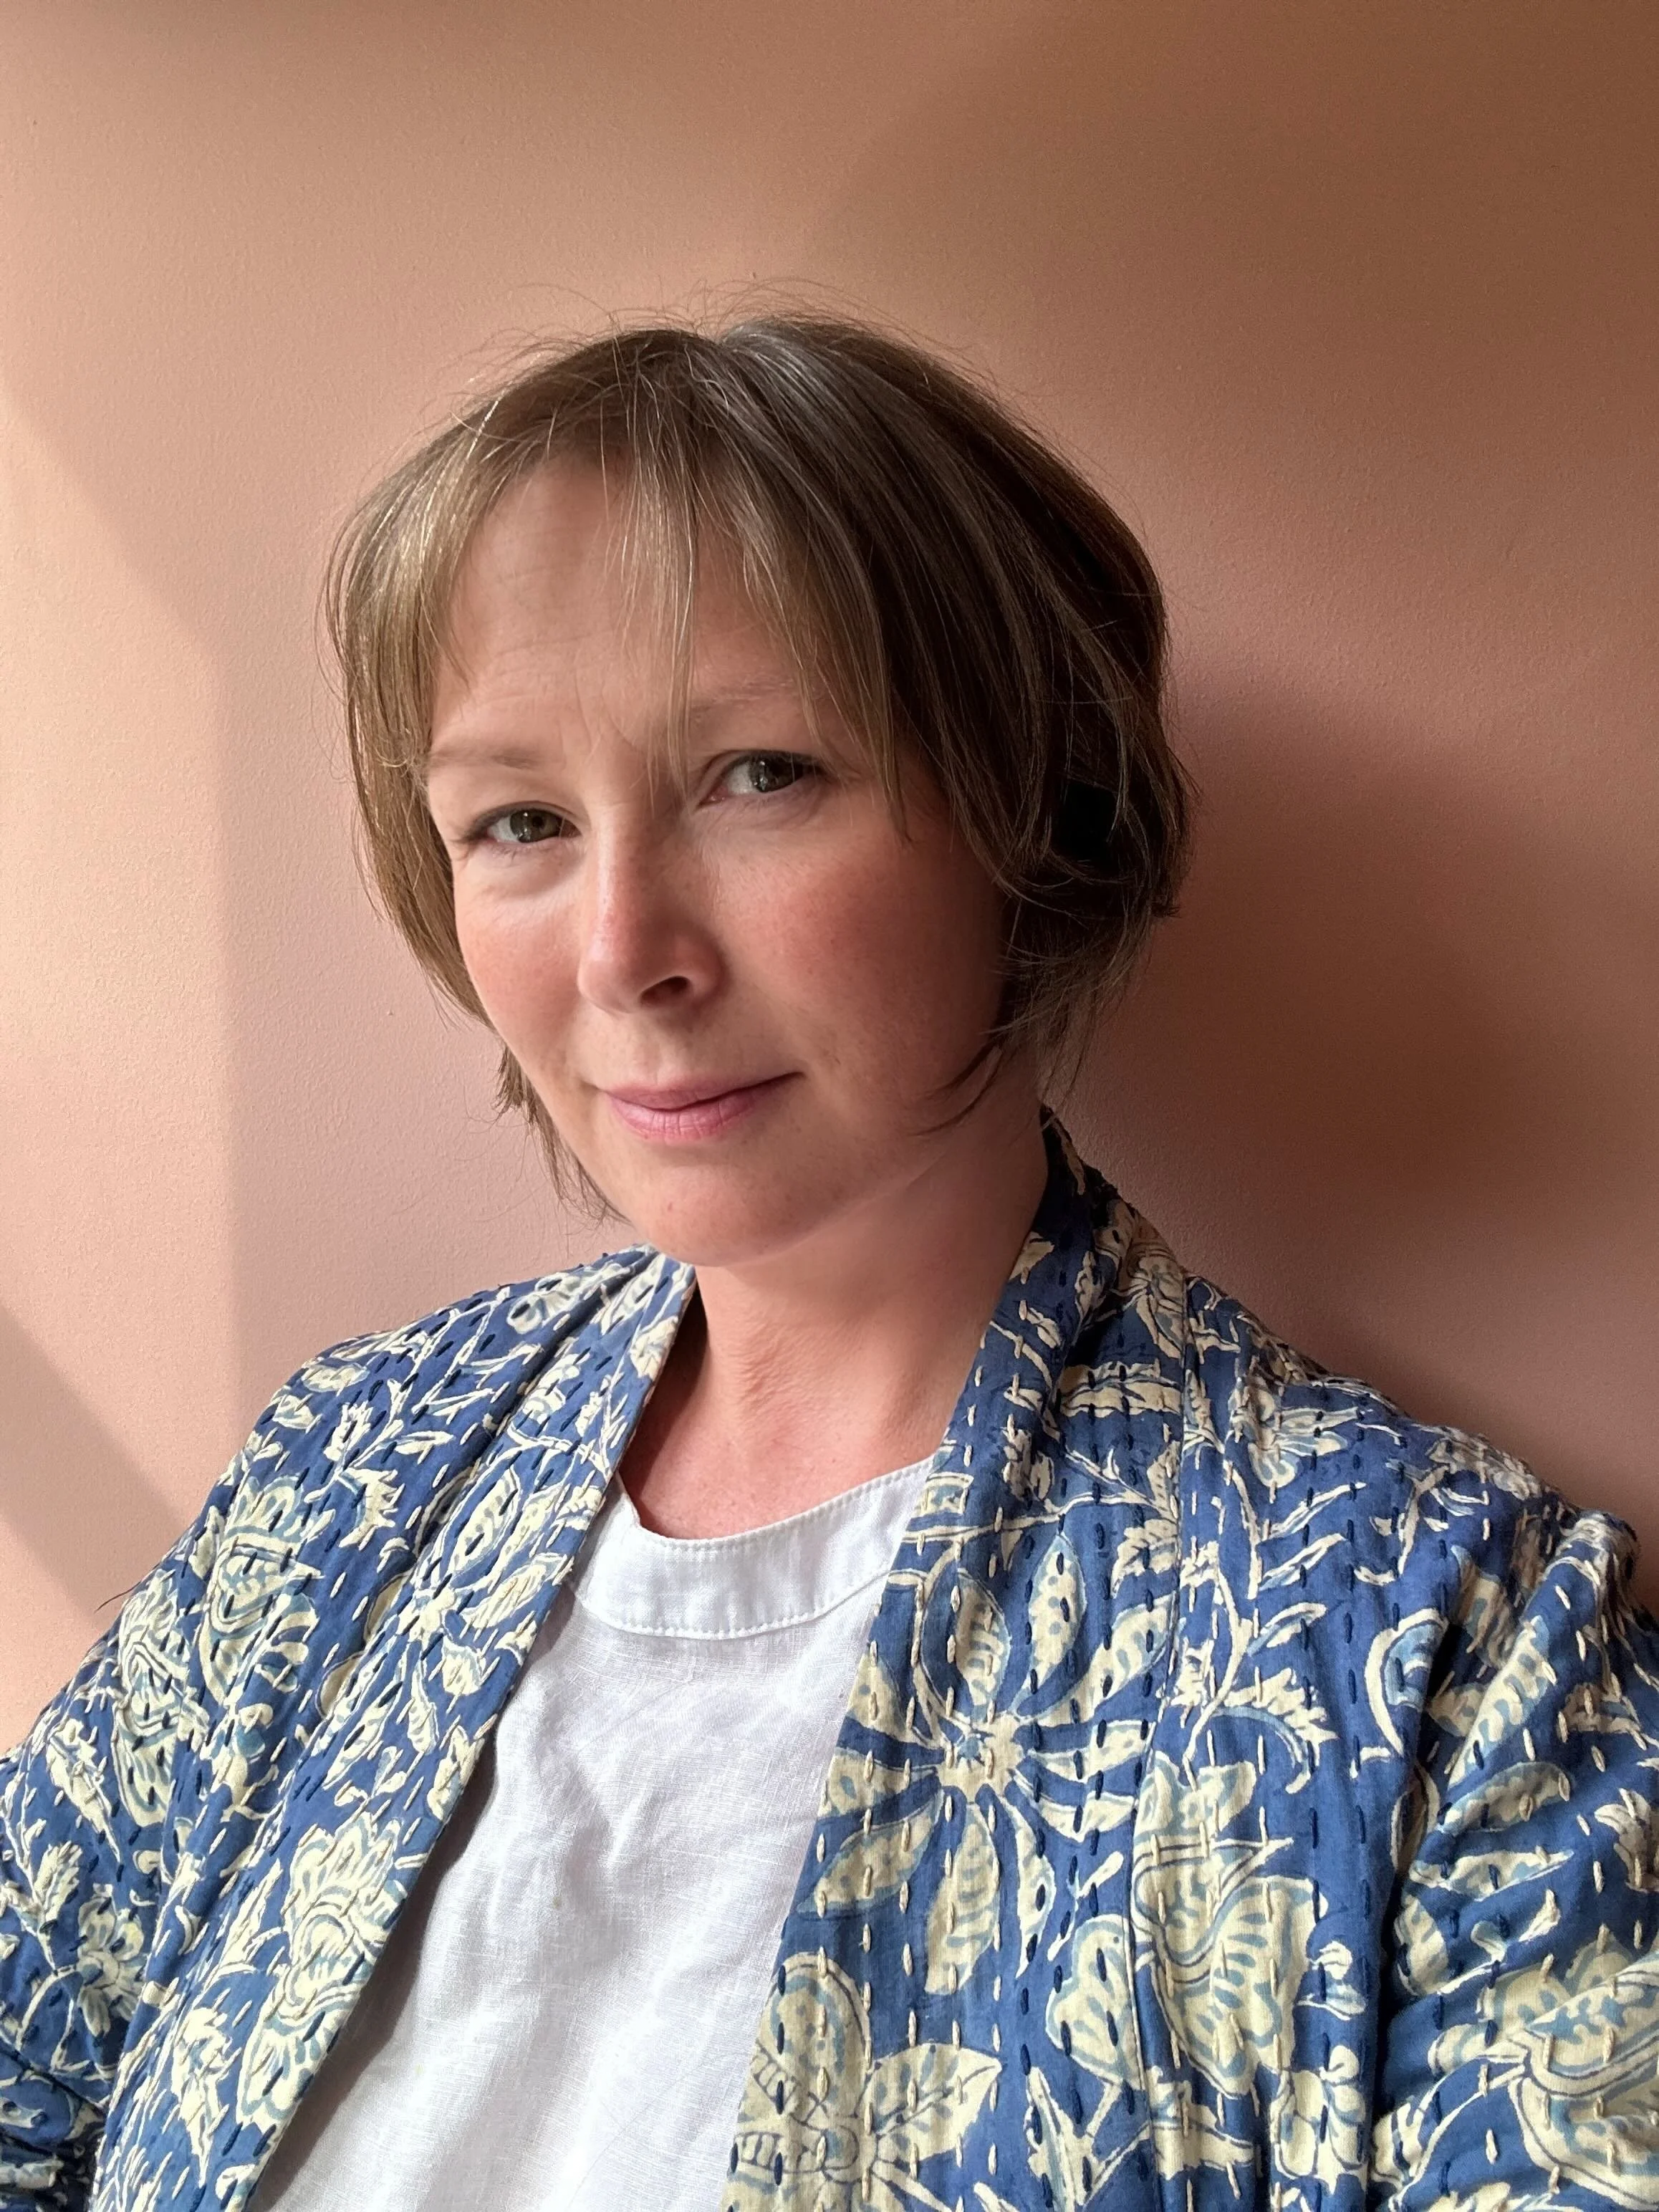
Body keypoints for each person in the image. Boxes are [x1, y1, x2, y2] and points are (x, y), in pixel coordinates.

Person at [1, 315, 1655, 2212]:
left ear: (1028, 806)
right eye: (519, 821)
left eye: (760, 775)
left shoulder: (1427, 1647)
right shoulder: (337, 1481)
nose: (624, 950)